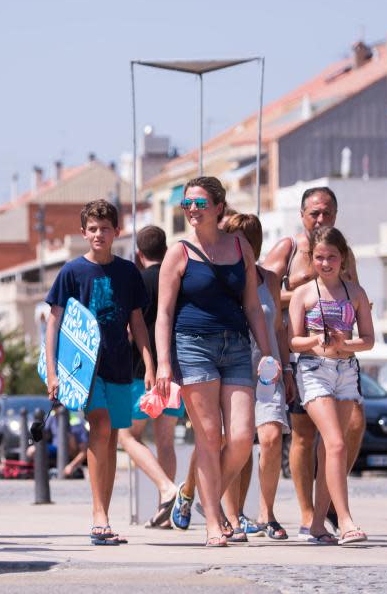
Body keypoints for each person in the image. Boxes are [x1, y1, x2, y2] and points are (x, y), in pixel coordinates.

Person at [154, 176, 277, 548]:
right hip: (193, 347)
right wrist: (163, 364)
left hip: (237, 346)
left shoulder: (240, 246)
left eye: (200, 203)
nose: (192, 209)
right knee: (210, 437)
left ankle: (200, 499)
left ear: (219, 207)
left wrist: (268, 353)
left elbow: (253, 305)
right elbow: (163, 313)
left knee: (241, 438)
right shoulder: (179, 253)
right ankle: (213, 521)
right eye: (187, 204)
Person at [44, 199, 155, 545]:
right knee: (102, 426)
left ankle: (103, 517)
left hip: (121, 365)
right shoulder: (72, 272)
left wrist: (149, 365)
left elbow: (137, 321)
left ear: (116, 232)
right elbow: (54, 323)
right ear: (83, 233)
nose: (98, 234)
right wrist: (52, 372)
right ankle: (99, 516)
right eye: (92, 228)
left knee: (108, 441)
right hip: (84, 370)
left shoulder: (128, 272)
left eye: (105, 228)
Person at [262, 186, 365, 538]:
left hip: (342, 357)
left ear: (335, 214)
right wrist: (306, 290)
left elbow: (354, 296)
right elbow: (263, 290)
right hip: (297, 357)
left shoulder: (343, 254)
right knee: (305, 436)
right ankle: (309, 512)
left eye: (326, 213)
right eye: (314, 213)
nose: (320, 218)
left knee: (350, 429)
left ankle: (326, 506)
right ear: (302, 215)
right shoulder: (288, 249)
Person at [289, 226, 374, 545]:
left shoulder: (356, 293)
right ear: (312, 259)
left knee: (330, 450)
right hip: (314, 370)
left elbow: (369, 339)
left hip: (346, 371)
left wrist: (347, 343)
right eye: (320, 257)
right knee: (336, 443)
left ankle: (317, 526)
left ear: (343, 258)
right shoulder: (304, 293)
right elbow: (293, 341)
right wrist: (316, 339)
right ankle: (346, 520)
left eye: (332, 257)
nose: (326, 264)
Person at [220, 214, 294, 541]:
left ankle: (267, 513)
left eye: (246, 240)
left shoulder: (271, 281)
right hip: (233, 372)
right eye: (234, 239)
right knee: (238, 445)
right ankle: (232, 516)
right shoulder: (219, 282)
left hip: (268, 373)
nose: (239, 246)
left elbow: (278, 327)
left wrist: (288, 369)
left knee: (271, 439)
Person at [118, 225, 181, 528]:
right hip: (173, 369)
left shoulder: (136, 281)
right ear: (166, 250)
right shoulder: (175, 281)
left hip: (140, 372)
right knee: (165, 441)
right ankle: (164, 512)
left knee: (127, 436)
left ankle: (165, 488)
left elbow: (130, 330)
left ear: (139, 255)